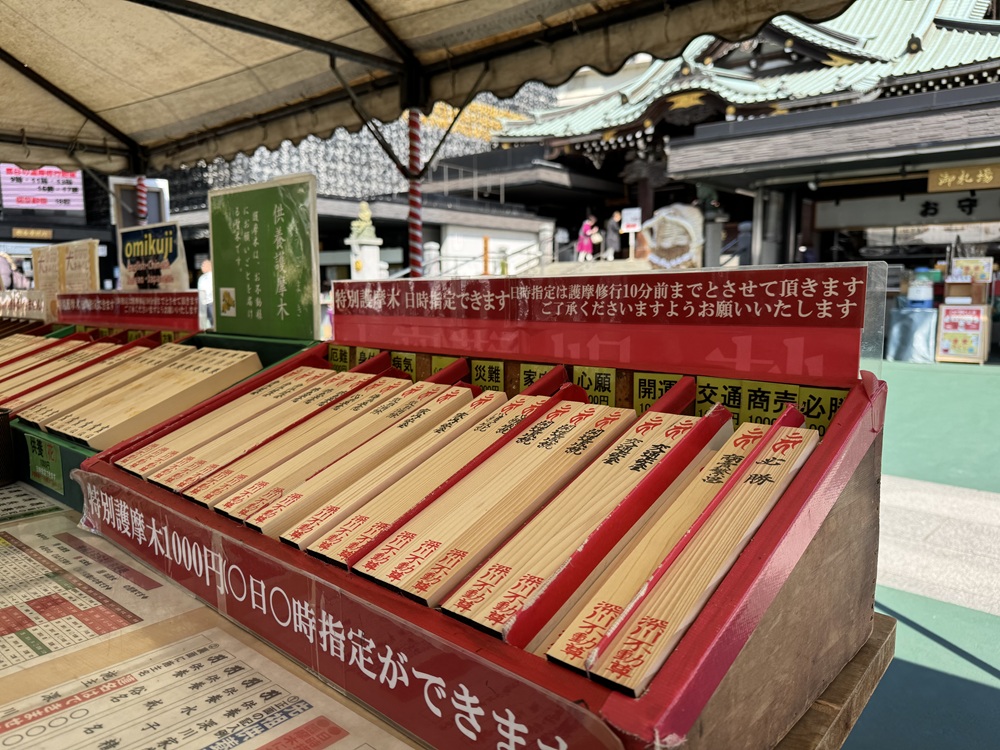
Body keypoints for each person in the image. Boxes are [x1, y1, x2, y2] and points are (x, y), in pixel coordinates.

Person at [197, 258, 214, 328]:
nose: (202, 267)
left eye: (204, 265)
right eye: (202, 265)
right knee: (210, 321)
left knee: (212, 320)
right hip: (206, 303)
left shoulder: (211, 276)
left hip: (210, 303)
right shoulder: (202, 278)